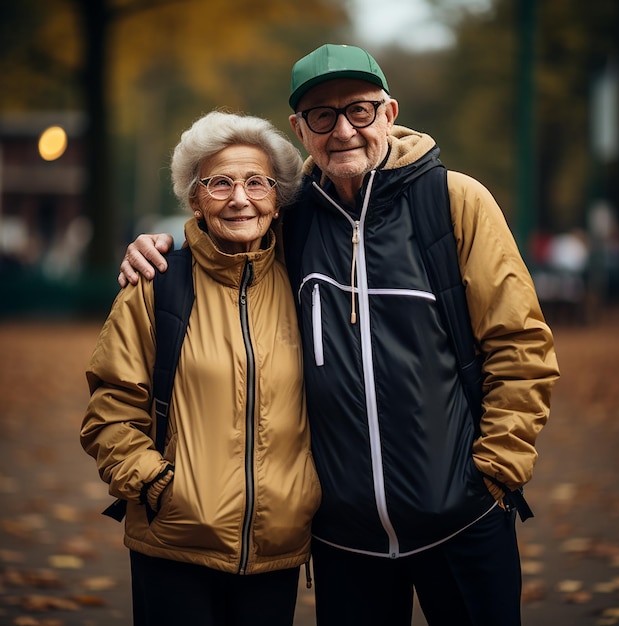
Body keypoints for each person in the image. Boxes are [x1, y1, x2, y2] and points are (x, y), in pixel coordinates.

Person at [118, 44, 560, 626]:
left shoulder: (453, 201)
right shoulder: (294, 216)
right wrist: (161, 245)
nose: (344, 129)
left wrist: (496, 467)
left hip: (464, 520)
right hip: (346, 542)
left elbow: (520, 344)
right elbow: (228, 225)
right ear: (302, 129)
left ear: (389, 112)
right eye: (322, 115)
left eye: (360, 109)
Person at [81, 110, 321, 626]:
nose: (240, 198)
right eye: (219, 183)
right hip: (174, 543)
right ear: (195, 199)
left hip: (276, 549)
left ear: (277, 199)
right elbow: (110, 410)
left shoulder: (306, 285)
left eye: (256, 183)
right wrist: (156, 485)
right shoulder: (156, 284)